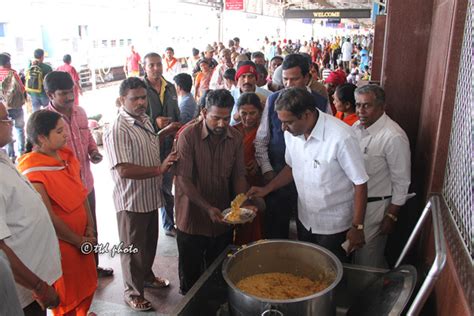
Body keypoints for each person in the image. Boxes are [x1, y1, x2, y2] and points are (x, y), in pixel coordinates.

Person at [249, 88, 369, 262]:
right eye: (281, 122)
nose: (283, 128)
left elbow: (360, 183)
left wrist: (357, 226)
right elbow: (291, 167)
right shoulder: (292, 133)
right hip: (305, 218)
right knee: (308, 271)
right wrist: (266, 189)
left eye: (288, 122)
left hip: (334, 226)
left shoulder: (341, 137)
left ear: (306, 114)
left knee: (332, 275)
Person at [103, 77, 178, 311]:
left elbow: (149, 143)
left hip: (148, 196)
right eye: (134, 98)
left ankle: (146, 276)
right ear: (121, 100)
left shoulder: (144, 119)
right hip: (131, 201)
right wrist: (159, 169)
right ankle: (132, 292)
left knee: (148, 244)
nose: (141, 102)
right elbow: (123, 169)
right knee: (132, 249)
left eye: (143, 97)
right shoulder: (118, 128)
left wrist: (164, 132)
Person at [174, 89, 258, 294]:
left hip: (223, 219)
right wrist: (207, 207)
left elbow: (239, 175)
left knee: (218, 273)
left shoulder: (236, 137)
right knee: (191, 278)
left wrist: (243, 204)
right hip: (191, 219)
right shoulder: (188, 136)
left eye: (226, 118)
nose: (222, 124)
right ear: (204, 112)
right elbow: (183, 179)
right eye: (216, 118)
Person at [17, 110, 97, 315]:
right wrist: (78, 241)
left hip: (83, 240)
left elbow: (82, 194)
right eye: (59, 131)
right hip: (63, 247)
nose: (66, 135)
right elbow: (49, 218)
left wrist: (90, 228)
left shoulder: (66, 158)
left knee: (87, 288)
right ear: (42, 138)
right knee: (67, 299)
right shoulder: (32, 170)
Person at [43, 71, 113, 278]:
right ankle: (77, 273)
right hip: (64, 192)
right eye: (64, 93)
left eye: (72, 91)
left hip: (86, 185)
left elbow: (88, 136)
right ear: (50, 95)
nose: (71, 97)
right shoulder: (46, 121)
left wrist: (93, 151)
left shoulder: (80, 112)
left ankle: (94, 266)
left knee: (92, 227)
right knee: (71, 231)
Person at [254, 54, 329, 239]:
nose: (288, 84)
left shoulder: (321, 103)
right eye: (285, 79)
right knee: (275, 232)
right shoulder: (273, 101)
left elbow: (328, 142)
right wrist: (267, 171)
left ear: (306, 77)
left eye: (294, 79)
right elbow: (261, 140)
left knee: (307, 232)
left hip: (311, 181)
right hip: (277, 178)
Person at [0, 101, 61, 316]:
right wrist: (38, 287)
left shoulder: (3, 157)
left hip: (34, 281)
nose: (10, 123)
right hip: (24, 291)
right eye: (5, 119)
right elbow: (1, 249)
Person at [352, 85, 411, 268]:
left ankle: (368, 296)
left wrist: (391, 216)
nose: (361, 111)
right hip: (354, 206)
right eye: (358, 105)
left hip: (376, 209)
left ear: (381, 107)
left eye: (366, 106)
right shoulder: (356, 127)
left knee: (367, 263)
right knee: (352, 259)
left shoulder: (393, 136)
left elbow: (402, 181)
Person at [143, 52, 182, 237]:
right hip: (148, 145)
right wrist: (154, 122)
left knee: (167, 185)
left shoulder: (171, 87)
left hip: (169, 143)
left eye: (158, 64)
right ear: (145, 67)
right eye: (151, 65)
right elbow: (132, 116)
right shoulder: (139, 89)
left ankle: (168, 224)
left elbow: (177, 112)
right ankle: (148, 228)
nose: (156, 68)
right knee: (150, 186)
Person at [232, 92, 265, 245]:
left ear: (260, 112)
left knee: (255, 220)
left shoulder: (264, 132)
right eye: (244, 113)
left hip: (257, 183)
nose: (248, 117)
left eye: (253, 113)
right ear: (238, 112)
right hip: (235, 183)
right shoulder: (232, 131)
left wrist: (259, 162)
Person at [0, 53, 26, 161]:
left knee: (7, 129)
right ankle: (22, 152)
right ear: (8, 62)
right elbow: (22, 88)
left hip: (4, 107)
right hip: (16, 106)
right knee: (19, 129)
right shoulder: (13, 73)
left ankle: (11, 154)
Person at [230, 61, 271, 125]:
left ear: (256, 79)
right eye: (243, 76)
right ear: (237, 79)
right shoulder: (229, 97)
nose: (247, 81)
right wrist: (235, 119)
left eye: (250, 76)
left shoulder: (268, 96)